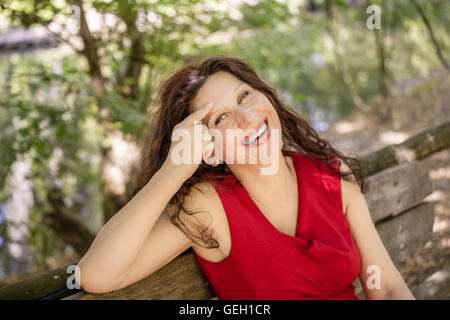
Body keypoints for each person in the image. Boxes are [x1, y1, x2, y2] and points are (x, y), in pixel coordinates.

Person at [76, 55, 415, 300]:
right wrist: (172, 172)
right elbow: (96, 275)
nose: (246, 117)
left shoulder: (329, 175)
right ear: (207, 148)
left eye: (244, 96)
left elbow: (385, 287)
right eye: (222, 117)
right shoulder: (209, 209)